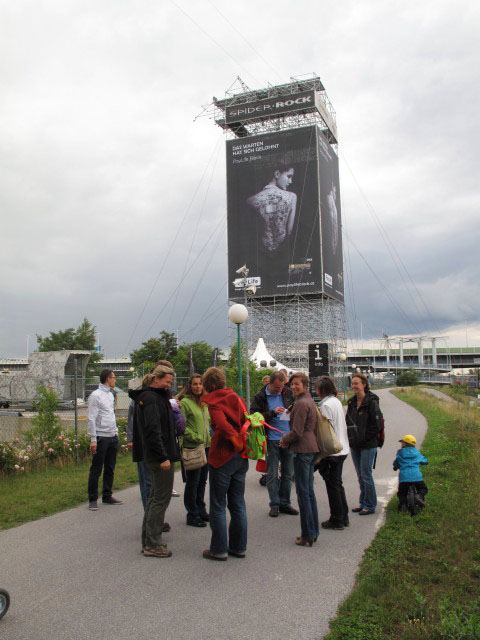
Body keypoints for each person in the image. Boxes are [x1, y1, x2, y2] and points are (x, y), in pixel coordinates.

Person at [129, 365, 178, 558]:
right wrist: (162, 457)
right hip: (159, 457)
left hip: (159, 455)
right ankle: (153, 543)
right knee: (160, 499)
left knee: (154, 498)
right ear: (155, 379)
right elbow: (153, 430)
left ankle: (148, 539)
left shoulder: (155, 397)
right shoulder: (151, 399)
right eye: (167, 381)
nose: (169, 384)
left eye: (170, 382)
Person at [201, 367, 248, 561]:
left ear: (210, 385)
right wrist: (241, 440)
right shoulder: (236, 398)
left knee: (218, 504)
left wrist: (233, 437)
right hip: (241, 456)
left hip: (223, 456)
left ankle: (218, 549)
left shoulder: (215, 401)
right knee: (237, 503)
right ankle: (238, 547)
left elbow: (221, 423)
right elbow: (247, 420)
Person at [280, 372, 319, 546]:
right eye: (292, 384)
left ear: (304, 385)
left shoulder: (302, 404)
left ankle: (307, 535)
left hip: (302, 450)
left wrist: (284, 439)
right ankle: (313, 531)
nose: (293, 387)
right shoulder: (308, 400)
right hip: (311, 449)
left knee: (303, 493)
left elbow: (297, 432)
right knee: (309, 492)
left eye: (297, 384)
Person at [250, 371, 297, 517]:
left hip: (288, 437)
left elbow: (295, 407)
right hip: (271, 439)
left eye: (282, 387)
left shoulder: (286, 392)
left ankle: (285, 503)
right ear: (270, 383)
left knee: (288, 473)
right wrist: (272, 413)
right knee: (271, 473)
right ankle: (274, 504)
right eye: (277, 388)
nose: (279, 390)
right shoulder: (260, 396)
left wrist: (291, 411)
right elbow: (254, 417)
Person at [315, 376, 350, 530]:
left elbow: (325, 431)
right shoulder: (336, 402)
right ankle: (344, 516)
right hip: (342, 448)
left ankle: (336, 519)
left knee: (332, 486)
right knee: (337, 484)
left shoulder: (326, 406)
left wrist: (319, 454)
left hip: (332, 451)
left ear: (321, 390)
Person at [346, 373, 382, 516]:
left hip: (368, 444)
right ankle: (363, 502)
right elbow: (348, 422)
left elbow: (377, 425)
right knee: (360, 475)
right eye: (352, 383)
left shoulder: (372, 402)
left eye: (356, 383)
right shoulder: (351, 403)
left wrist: (364, 438)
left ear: (364, 385)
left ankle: (370, 505)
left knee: (366, 474)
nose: (354, 386)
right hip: (355, 444)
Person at [177, 374, 211, 528]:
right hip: (193, 447)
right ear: (190, 386)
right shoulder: (185, 402)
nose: (198, 387)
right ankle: (192, 514)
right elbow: (181, 425)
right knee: (193, 481)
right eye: (195, 384)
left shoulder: (203, 403)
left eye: (200, 384)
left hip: (206, 446)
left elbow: (208, 422)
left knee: (202, 480)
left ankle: (201, 509)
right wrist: (196, 437)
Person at [87, 369, 123, 510]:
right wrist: (93, 439)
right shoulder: (96, 396)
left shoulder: (111, 395)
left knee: (110, 467)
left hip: (112, 436)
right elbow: (91, 418)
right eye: (114, 378)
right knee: (96, 469)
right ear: (108, 379)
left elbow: (110, 414)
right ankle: (92, 499)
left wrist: (116, 433)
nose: (115, 380)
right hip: (101, 437)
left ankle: (107, 495)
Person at [247, 164, 297, 254]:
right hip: (282, 253)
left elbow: (251, 233)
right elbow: (289, 231)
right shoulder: (292, 197)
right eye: (288, 176)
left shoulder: (251, 200)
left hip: (260, 254)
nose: (290, 181)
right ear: (277, 174)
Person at [393, 435, 428, 511]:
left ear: (404, 444)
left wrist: (395, 467)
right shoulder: (417, 453)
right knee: (423, 489)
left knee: (402, 493)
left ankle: (403, 505)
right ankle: (419, 496)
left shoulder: (400, 453)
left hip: (404, 478)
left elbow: (396, 463)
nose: (401, 444)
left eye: (402, 443)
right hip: (417, 477)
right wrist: (424, 462)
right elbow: (424, 460)